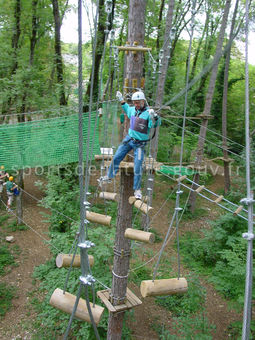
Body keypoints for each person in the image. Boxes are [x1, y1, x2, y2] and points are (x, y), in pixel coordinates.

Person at [99, 90, 161, 200]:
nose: (136, 105)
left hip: (140, 145)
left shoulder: (148, 113)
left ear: (143, 101)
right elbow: (126, 107)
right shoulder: (132, 110)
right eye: (135, 102)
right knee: (117, 157)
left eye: (138, 102)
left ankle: (137, 189)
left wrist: (154, 116)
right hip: (129, 140)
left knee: (138, 166)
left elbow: (154, 124)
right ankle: (109, 176)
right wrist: (120, 99)